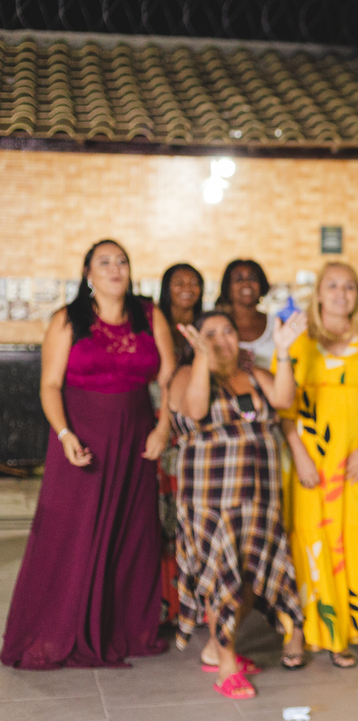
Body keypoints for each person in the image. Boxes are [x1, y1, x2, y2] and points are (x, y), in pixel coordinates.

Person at [2, 240, 175, 669]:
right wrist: (63, 434)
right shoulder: (67, 319)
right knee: (69, 534)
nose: (115, 269)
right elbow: (49, 386)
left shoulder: (150, 317)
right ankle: (55, 627)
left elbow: (170, 376)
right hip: (81, 440)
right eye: (104, 262)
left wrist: (164, 425)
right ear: (87, 273)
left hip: (137, 440)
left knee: (131, 533)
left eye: (122, 261)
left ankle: (125, 627)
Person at [169, 310, 307, 699]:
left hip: (259, 497)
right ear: (196, 341)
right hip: (213, 500)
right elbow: (195, 410)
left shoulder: (253, 374)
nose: (221, 339)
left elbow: (283, 399)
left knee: (248, 579)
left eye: (227, 331)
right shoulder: (184, 376)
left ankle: (216, 648)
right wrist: (200, 358)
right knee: (221, 583)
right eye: (210, 333)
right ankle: (226, 667)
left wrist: (282, 351)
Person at [279, 262, 358, 668]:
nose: (341, 293)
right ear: (318, 293)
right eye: (332, 285)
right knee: (310, 540)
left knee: (353, 537)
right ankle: (297, 631)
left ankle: (339, 633)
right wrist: (299, 455)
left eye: (349, 286)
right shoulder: (299, 339)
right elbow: (284, 406)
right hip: (310, 460)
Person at [155, 262, 205, 625]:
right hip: (158, 426)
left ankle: (192, 603)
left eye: (194, 282)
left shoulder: (206, 326)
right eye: (178, 282)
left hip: (194, 432)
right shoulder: (152, 323)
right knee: (161, 518)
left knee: (190, 519)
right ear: (166, 287)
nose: (187, 288)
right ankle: (163, 605)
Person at [216, 259, 275, 370]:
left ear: (261, 285)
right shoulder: (214, 326)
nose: (246, 283)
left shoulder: (277, 324)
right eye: (239, 279)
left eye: (252, 279)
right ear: (228, 288)